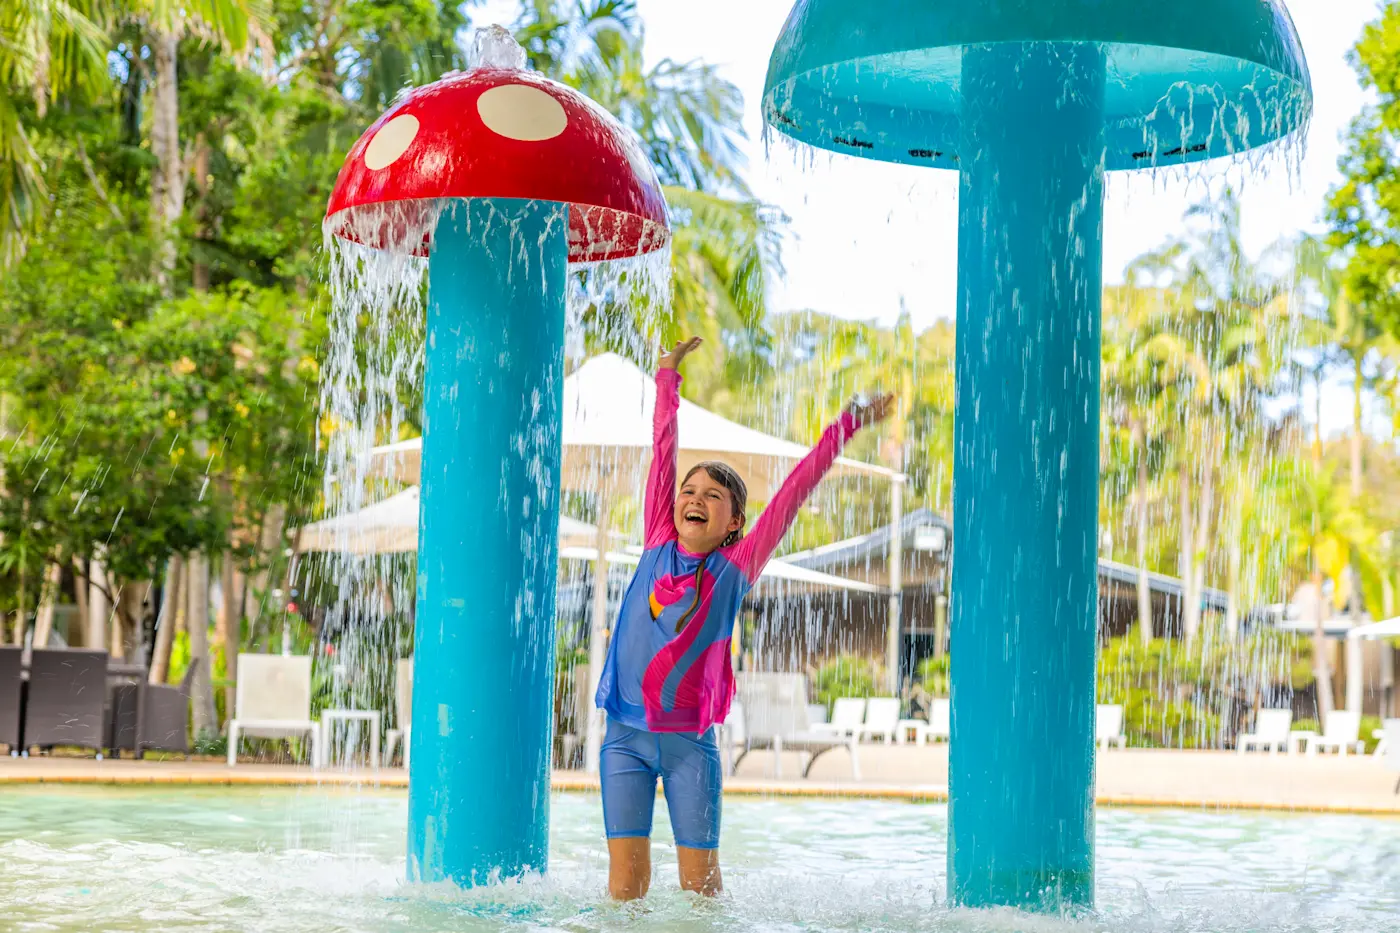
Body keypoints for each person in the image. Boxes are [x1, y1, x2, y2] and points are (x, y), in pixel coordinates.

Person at [593, 336, 895, 900]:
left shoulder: (736, 565)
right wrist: (667, 377)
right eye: (690, 489)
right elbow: (664, 449)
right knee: (625, 884)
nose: (696, 497)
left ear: (735, 522)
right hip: (623, 741)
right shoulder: (657, 537)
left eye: (714, 495)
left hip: (690, 748)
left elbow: (796, 489)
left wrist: (847, 425)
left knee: (700, 889)